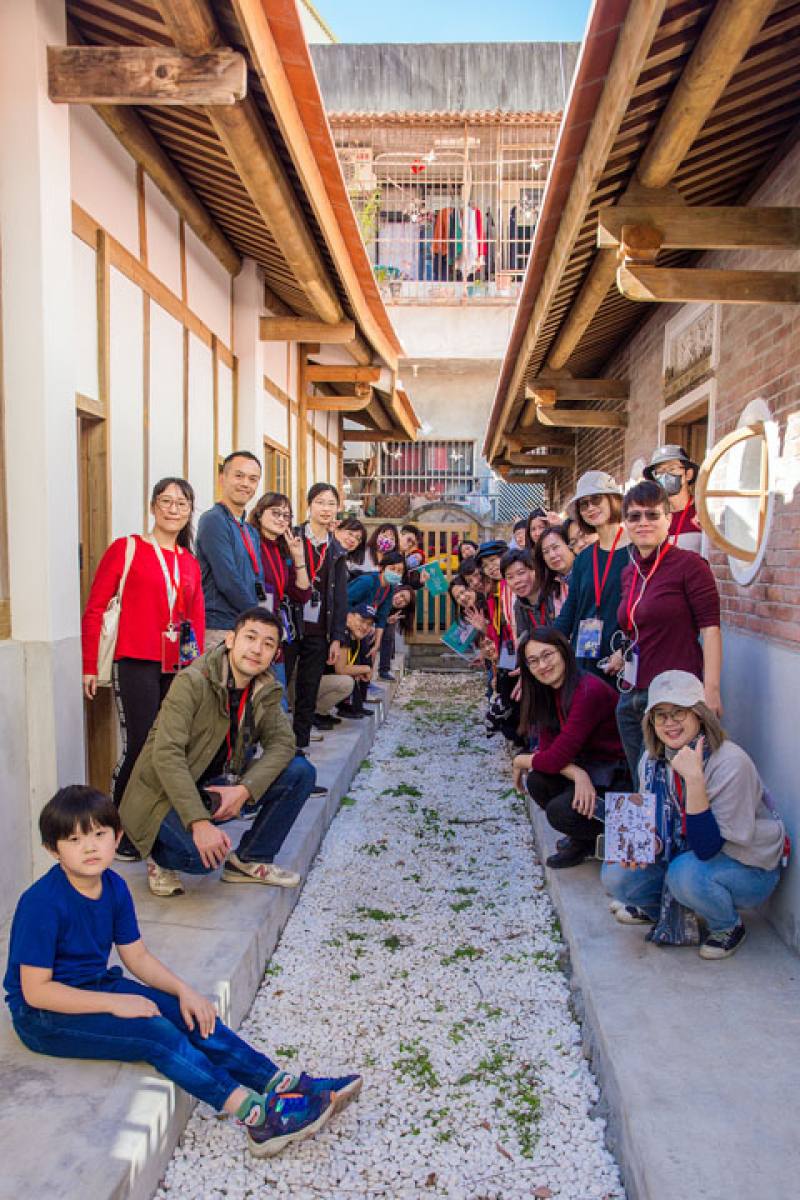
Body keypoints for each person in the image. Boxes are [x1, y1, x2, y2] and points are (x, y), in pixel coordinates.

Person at [5, 786, 361, 1158]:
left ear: (117, 837)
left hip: (95, 985)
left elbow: (137, 956)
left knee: (186, 1013)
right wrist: (116, 1004)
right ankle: (258, 1118)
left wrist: (184, 991)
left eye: (98, 834)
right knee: (154, 1033)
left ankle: (279, 1084)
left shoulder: (113, 886)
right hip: (44, 1017)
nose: (90, 847)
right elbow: (36, 992)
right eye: (74, 840)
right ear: (53, 850)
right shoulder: (42, 903)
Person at [121, 609, 316, 898]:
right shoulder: (192, 681)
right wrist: (199, 823)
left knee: (300, 772)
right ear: (230, 640)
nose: (257, 649)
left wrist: (244, 790)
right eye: (250, 638)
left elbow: (283, 744)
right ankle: (158, 855)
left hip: (215, 788)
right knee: (201, 861)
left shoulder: (264, 688)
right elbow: (167, 755)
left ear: (275, 654)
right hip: (162, 795)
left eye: (268, 644)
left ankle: (250, 859)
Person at [601, 671, 784, 958]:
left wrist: (695, 781)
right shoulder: (651, 759)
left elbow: (707, 847)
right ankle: (654, 909)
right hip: (689, 856)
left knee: (683, 874)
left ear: (699, 715)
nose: (669, 722)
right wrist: (648, 842)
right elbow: (656, 822)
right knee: (616, 873)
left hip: (747, 867)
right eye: (660, 715)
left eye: (679, 712)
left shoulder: (730, 762)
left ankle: (727, 926)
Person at [81, 477, 205, 861]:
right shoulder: (127, 549)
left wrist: (196, 669)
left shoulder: (189, 562)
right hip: (135, 659)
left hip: (176, 665)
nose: (173, 509)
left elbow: (196, 621)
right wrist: (89, 665)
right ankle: (117, 828)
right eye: (166, 501)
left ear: (189, 512)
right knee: (138, 745)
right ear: (153, 507)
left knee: (167, 747)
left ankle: (149, 825)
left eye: (181, 504)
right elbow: (95, 607)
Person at [609, 480, 722, 781]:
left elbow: (710, 629)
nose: (643, 522)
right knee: (642, 782)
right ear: (626, 523)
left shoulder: (690, 565)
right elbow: (636, 627)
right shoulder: (629, 572)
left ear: (668, 519)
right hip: (632, 694)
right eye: (634, 516)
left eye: (652, 514)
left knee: (672, 783)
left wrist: (711, 691)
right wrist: (621, 655)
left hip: (673, 698)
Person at [513, 629, 630, 868]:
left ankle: (610, 834)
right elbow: (549, 750)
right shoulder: (548, 691)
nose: (542, 665)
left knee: (559, 812)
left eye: (547, 655)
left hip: (617, 778)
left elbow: (555, 758)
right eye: (533, 661)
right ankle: (583, 841)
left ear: (564, 651)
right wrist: (577, 774)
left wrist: (520, 760)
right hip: (590, 768)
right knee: (538, 781)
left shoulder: (587, 691)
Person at [284, 484, 348, 753]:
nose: (326, 508)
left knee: (309, 688)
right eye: (320, 502)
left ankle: (300, 745)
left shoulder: (337, 549)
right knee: (279, 682)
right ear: (309, 505)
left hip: (319, 630)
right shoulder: (292, 537)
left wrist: (337, 638)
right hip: (290, 625)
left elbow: (340, 598)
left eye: (331, 503)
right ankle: (275, 744)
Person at [554, 471, 628, 677]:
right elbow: (571, 609)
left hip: (623, 657)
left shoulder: (637, 550)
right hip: (586, 657)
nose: (590, 508)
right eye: (584, 504)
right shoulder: (584, 558)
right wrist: (546, 645)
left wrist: (627, 648)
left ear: (613, 500)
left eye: (596, 499)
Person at [196, 451, 265, 649]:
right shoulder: (213, 520)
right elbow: (227, 579)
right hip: (219, 627)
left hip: (245, 625)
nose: (245, 484)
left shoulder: (250, 530)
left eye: (252, 479)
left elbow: (257, 578)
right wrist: (259, 617)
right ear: (222, 478)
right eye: (239, 476)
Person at [248, 492, 311, 695]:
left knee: (276, 697)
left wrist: (299, 557)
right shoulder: (250, 543)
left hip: (273, 631)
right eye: (276, 513)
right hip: (251, 629)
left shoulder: (282, 550)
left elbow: (302, 594)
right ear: (260, 513)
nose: (282, 519)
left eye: (286, 516)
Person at [643, 444, 702, 552]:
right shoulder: (653, 517)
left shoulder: (702, 513)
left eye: (672, 468)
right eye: (660, 472)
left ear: (688, 474)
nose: (666, 476)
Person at [330, 603, 378, 718]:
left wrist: (362, 670)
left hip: (326, 681)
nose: (365, 627)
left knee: (355, 672)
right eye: (362, 620)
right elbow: (341, 669)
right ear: (349, 616)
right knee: (348, 679)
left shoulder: (355, 636)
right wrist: (366, 669)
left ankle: (355, 707)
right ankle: (320, 711)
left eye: (369, 624)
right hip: (312, 687)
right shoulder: (342, 633)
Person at [499, 548, 545, 642]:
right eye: (510, 577)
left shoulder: (555, 593)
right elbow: (522, 641)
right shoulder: (519, 606)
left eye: (521, 573)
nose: (516, 581)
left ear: (534, 570)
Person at [534, 524, 576, 621]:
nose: (552, 555)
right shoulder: (552, 586)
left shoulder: (588, 573)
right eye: (546, 552)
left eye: (555, 547)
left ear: (570, 545)